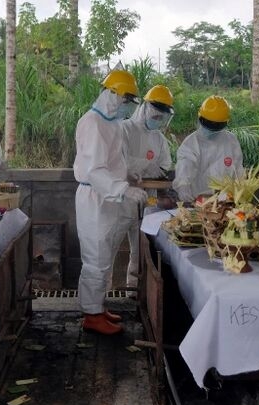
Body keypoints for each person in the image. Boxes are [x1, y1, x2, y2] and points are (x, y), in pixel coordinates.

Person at [73, 69, 148, 335]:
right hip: (95, 197)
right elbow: (94, 170)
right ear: (113, 94)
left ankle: (98, 306)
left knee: (105, 256)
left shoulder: (111, 122)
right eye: (127, 99)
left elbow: (111, 160)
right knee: (95, 257)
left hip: (107, 197)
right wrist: (123, 189)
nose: (128, 105)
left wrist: (126, 172)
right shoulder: (92, 123)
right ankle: (92, 315)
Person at [120, 85, 175, 294]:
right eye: (155, 115)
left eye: (161, 117)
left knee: (143, 246)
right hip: (123, 198)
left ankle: (139, 293)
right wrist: (145, 165)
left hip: (149, 199)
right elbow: (120, 162)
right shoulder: (125, 129)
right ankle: (124, 294)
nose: (157, 120)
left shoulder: (159, 138)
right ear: (144, 108)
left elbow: (164, 165)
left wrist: (150, 169)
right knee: (115, 247)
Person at [172, 95, 244, 203]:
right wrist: (183, 185)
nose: (211, 130)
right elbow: (185, 164)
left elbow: (238, 171)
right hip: (198, 203)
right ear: (201, 119)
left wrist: (242, 192)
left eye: (216, 127)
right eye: (209, 125)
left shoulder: (231, 141)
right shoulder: (191, 143)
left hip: (226, 203)